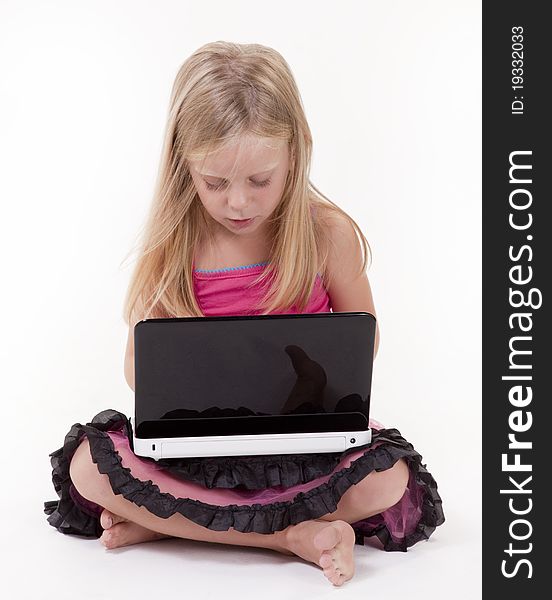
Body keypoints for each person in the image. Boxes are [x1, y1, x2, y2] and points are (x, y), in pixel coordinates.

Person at [43, 41, 444, 587]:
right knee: (87, 467)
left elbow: (364, 341)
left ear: (296, 154)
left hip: (303, 440)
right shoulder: (172, 248)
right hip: (200, 446)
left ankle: (177, 525)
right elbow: (139, 375)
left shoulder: (328, 235)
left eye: (260, 180)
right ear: (184, 165)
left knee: (389, 481)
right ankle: (287, 536)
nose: (238, 203)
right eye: (215, 183)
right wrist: (175, 346)